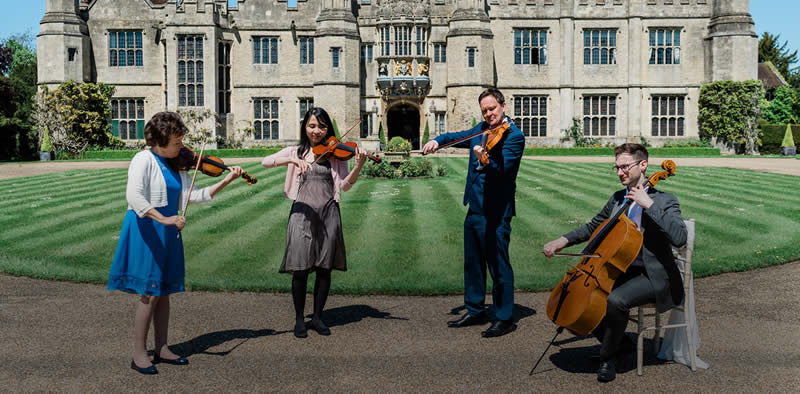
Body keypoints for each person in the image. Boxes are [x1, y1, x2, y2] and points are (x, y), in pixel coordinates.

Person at [108, 112, 244, 375]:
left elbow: (193, 196)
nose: (183, 146)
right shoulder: (143, 159)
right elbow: (134, 197)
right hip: (147, 229)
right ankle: (139, 354)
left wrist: (225, 181)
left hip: (169, 231)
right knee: (149, 293)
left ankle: (162, 347)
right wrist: (166, 219)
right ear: (160, 141)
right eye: (177, 142)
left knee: (164, 292)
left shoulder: (176, 165)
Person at [542, 143, 687, 382]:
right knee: (585, 299)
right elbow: (593, 227)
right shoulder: (619, 199)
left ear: (643, 165)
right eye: (617, 167)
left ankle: (608, 357)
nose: (620, 172)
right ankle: (623, 344)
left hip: (655, 275)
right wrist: (562, 240)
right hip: (623, 269)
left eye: (625, 166)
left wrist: (647, 203)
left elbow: (680, 238)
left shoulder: (665, 200)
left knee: (614, 300)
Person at [421, 88, 525, 338]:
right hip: (476, 208)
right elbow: (457, 136)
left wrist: (485, 159)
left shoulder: (514, 137)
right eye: (485, 110)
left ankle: (504, 317)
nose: (489, 114)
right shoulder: (480, 130)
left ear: (503, 106)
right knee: (473, 263)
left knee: (498, 265)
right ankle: (475, 309)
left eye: (492, 108)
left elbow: (504, 171)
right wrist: (437, 140)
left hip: (497, 212)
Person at [262, 107, 367, 338]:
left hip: (329, 212)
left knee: (324, 269)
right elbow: (265, 162)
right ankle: (300, 319)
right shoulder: (296, 151)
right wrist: (292, 159)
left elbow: (344, 186)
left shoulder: (335, 155)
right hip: (301, 214)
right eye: (312, 126)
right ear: (305, 127)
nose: (317, 131)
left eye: (321, 126)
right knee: (300, 269)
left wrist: (358, 166)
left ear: (328, 128)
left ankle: (318, 317)